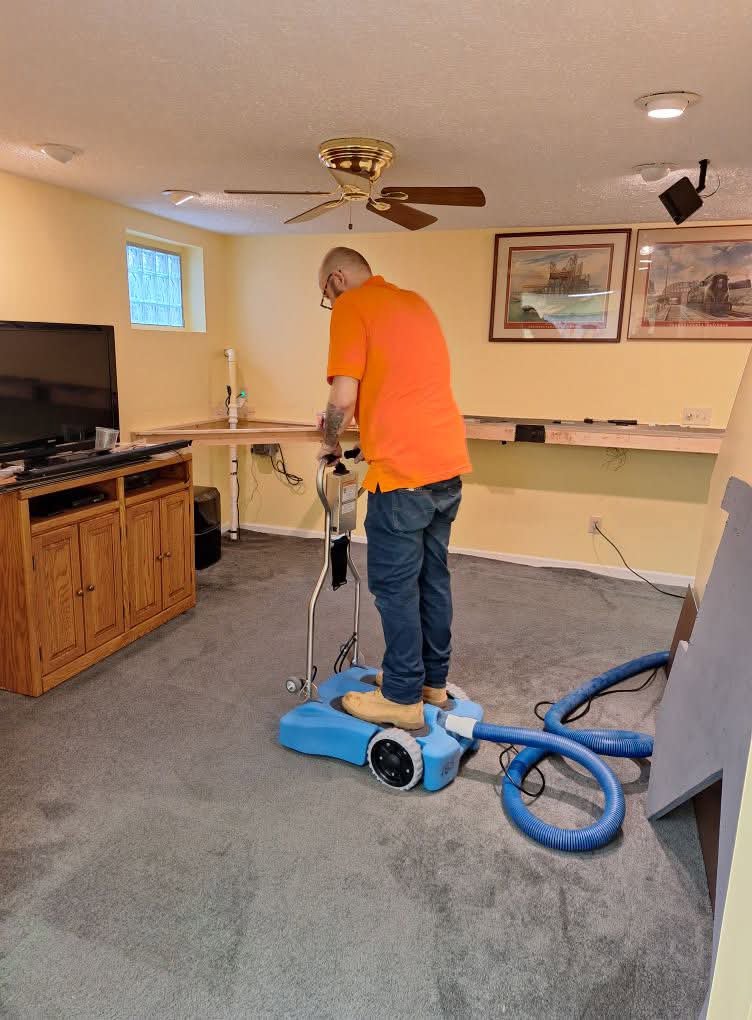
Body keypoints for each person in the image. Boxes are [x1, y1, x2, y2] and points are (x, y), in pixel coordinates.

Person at [317, 246, 471, 730]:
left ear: (338, 279)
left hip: (402, 474)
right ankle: (431, 683)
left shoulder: (351, 305)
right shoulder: (415, 303)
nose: (329, 301)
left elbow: (342, 396)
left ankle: (403, 698)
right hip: (446, 466)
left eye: (325, 293)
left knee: (394, 586)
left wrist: (329, 442)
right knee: (432, 578)